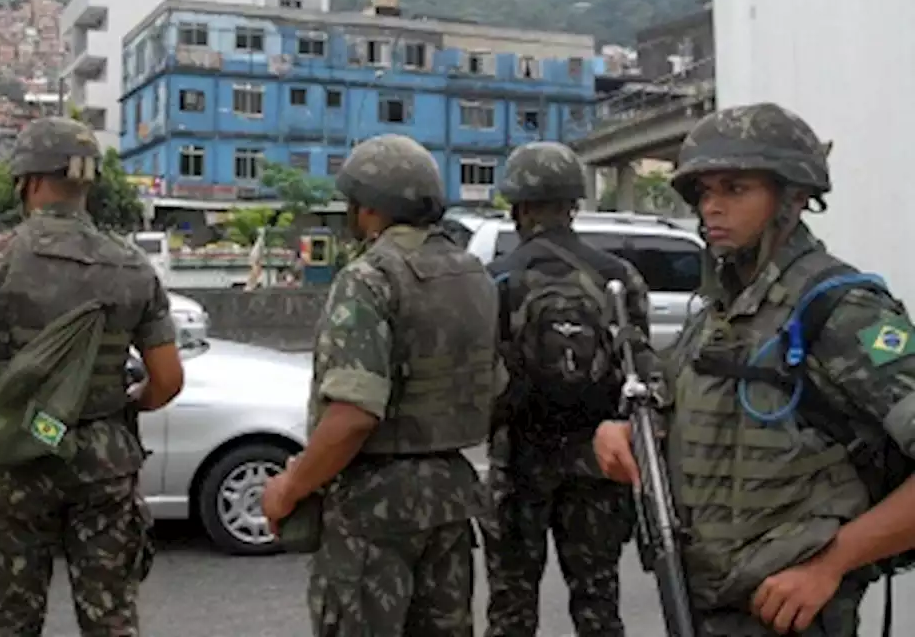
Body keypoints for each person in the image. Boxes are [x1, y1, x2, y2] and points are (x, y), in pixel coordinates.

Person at [593, 102, 915, 636]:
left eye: (735, 189)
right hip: (705, 607)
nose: (712, 207)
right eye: (704, 192)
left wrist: (829, 565)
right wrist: (626, 434)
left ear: (792, 198)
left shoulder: (840, 309)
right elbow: (698, 420)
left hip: (793, 617)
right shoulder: (720, 310)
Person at [0, 116, 185, 637]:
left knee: (9, 620)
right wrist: (126, 404)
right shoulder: (133, 266)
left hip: (16, 463)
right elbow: (168, 380)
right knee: (112, 618)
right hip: (105, 466)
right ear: (87, 183)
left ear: (27, 180)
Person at [261, 134, 505, 637]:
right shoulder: (473, 275)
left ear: (368, 206)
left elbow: (353, 415)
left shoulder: (370, 276)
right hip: (451, 497)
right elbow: (494, 384)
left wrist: (289, 486)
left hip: (376, 506)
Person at [484, 141, 653, 637]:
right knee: (598, 605)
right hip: (596, 465)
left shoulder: (498, 279)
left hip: (519, 463)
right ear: (573, 205)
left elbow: (481, 378)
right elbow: (638, 369)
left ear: (517, 207)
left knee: (511, 608)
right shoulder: (619, 278)